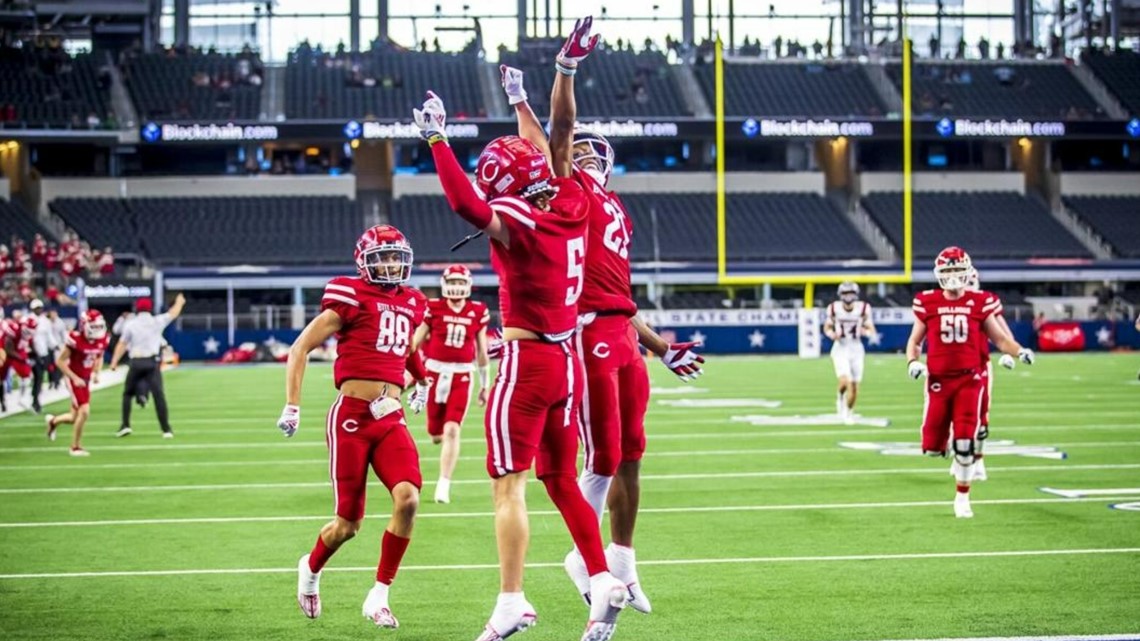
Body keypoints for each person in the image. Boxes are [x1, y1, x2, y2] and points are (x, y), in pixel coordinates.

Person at [500, 19, 705, 616]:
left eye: (594, 151)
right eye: (577, 151)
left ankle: (623, 561)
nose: (582, 154)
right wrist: (547, 82)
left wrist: (661, 347)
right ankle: (585, 558)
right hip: (583, 333)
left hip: (621, 333)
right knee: (605, 455)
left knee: (634, 451)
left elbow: (622, 298)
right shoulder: (571, 194)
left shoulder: (614, 207)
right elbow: (550, 137)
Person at [415, 92, 630, 641]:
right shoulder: (574, 199)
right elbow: (551, 140)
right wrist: (523, 105)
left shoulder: (515, 214)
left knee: (508, 485)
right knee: (559, 477)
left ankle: (511, 600)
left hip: (527, 360)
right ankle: (603, 576)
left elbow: (468, 204)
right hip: (565, 362)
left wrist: (438, 140)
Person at [278, 224, 430, 628]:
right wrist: (293, 405)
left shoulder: (414, 301)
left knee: (409, 499)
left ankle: (379, 595)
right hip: (351, 417)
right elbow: (301, 347)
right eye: (383, 257)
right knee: (348, 524)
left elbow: (406, 347)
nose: (392, 264)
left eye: (397, 256)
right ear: (364, 262)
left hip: (390, 416)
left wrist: (421, 379)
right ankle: (310, 570)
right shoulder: (350, 295)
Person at [906, 247, 1034, 518]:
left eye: (957, 270)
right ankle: (948, 449)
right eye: (948, 270)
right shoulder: (927, 302)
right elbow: (915, 341)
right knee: (931, 447)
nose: (953, 276)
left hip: (969, 379)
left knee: (965, 442)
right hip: (938, 381)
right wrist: (912, 362)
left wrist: (1018, 350)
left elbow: (999, 338)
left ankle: (962, 497)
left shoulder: (979, 301)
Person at [410, 264, 491, 504]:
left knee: (452, 429)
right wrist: (411, 375)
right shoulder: (433, 308)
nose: (456, 287)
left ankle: (443, 483)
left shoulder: (477, 310)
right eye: (452, 282)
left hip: (462, 375)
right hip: (434, 372)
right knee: (436, 434)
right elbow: (414, 343)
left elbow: (482, 351)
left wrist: (485, 385)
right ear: (445, 284)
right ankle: (439, 439)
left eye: (459, 282)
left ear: (467, 285)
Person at [958, 267, 1017, 482]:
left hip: (979, 365)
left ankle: (979, 459)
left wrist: (1011, 351)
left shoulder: (985, 302)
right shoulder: (946, 303)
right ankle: (961, 458)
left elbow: (1002, 332)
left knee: (982, 417)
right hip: (953, 369)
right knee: (956, 418)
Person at [108, 294, 186, 438]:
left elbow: (122, 344)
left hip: (136, 362)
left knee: (127, 394)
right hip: (152, 362)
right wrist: (180, 302)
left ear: (137, 309)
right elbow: (173, 313)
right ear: (150, 309)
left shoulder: (130, 324)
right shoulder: (156, 321)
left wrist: (114, 362)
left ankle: (125, 425)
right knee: (159, 395)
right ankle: (166, 429)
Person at [45, 310, 109, 456]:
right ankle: (75, 447)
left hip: (85, 379)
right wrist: (74, 378)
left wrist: (96, 373)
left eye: (99, 326)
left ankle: (53, 421)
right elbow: (60, 361)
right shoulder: (75, 339)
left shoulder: (102, 339)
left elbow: (99, 356)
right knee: (85, 411)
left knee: (74, 417)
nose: (97, 330)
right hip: (74, 377)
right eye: (94, 326)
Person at [823, 282, 877, 423]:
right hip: (840, 347)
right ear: (841, 295)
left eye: (850, 293)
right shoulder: (834, 308)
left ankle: (848, 412)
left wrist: (864, 331)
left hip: (856, 348)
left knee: (854, 386)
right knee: (844, 381)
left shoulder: (864, 308)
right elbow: (827, 327)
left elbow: (872, 330)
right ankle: (840, 397)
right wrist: (832, 335)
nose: (848, 296)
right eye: (845, 293)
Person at [0, 315, 37, 412]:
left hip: (18, 352)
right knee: (1, 379)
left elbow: (31, 343)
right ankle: (2, 401)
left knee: (27, 375)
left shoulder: (28, 333)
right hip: (4, 352)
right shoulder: (14, 329)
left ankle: (22, 398)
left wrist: (34, 355)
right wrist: (23, 359)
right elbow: (8, 349)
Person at [28, 299, 59, 413]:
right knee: (35, 376)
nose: (39, 310)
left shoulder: (45, 321)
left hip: (43, 352)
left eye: (40, 307)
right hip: (31, 353)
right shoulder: (28, 320)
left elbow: (49, 337)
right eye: (37, 308)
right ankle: (34, 399)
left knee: (39, 378)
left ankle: (35, 399)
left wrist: (55, 346)